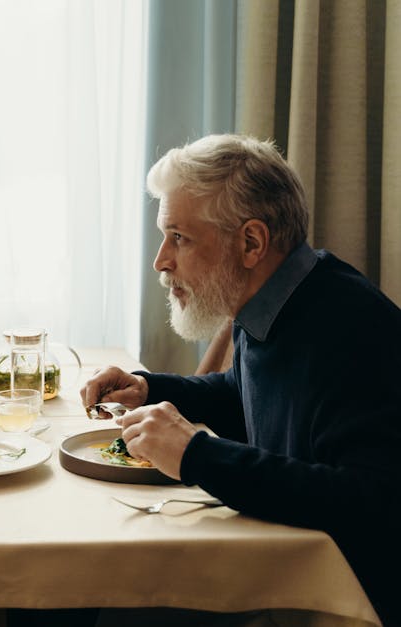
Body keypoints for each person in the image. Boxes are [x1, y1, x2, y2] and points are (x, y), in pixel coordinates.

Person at [81, 134, 401, 626]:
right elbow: (246, 396)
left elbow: (369, 502)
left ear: (251, 242)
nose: (161, 261)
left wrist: (196, 455)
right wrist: (150, 388)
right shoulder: (274, 301)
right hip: (284, 562)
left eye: (179, 237)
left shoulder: (351, 330)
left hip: (339, 599)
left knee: (118, 598)